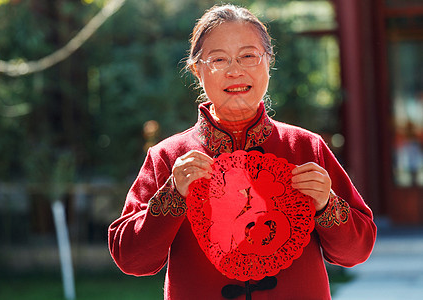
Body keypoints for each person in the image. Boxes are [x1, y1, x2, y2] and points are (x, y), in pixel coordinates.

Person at [108, 4, 376, 300]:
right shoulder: (169, 158)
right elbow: (131, 259)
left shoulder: (305, 148)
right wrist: (173, 193)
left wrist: (326, 203)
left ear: (268, 63)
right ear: (197, 70)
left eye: (248, 56)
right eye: (219, 59)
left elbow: (357, 251)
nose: (235, 70)